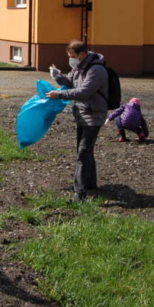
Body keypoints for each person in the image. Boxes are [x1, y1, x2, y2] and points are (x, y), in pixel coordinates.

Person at [46, 39, 109, 201]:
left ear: (82, 54)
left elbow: (83, 92)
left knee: (83, 152)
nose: (70, 59)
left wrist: (59, 94)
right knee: (85, 151)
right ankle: (91, 184)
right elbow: (70, 83)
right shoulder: (78, 67)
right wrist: (58, 77)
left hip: (94, 116)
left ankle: (79, 193)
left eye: (72, 56)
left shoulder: (96, 70)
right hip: (82, 114)